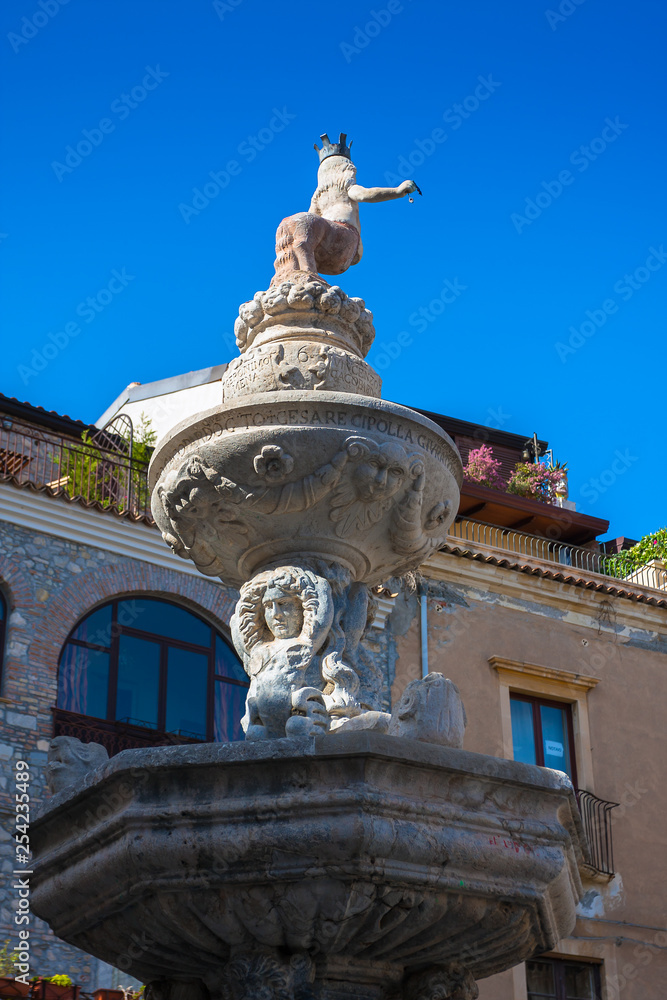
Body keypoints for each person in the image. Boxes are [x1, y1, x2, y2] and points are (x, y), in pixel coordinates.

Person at [273, 132, 420, 282]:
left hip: (325, 237)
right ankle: (308, 275)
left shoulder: (317, 196)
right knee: (305, 240)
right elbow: (365, 195)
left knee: (303, 236)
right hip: (345, 235)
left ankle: (299, 270)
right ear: (345, 168)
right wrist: (397, 191)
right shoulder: (347, 185)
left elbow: (310, 217)